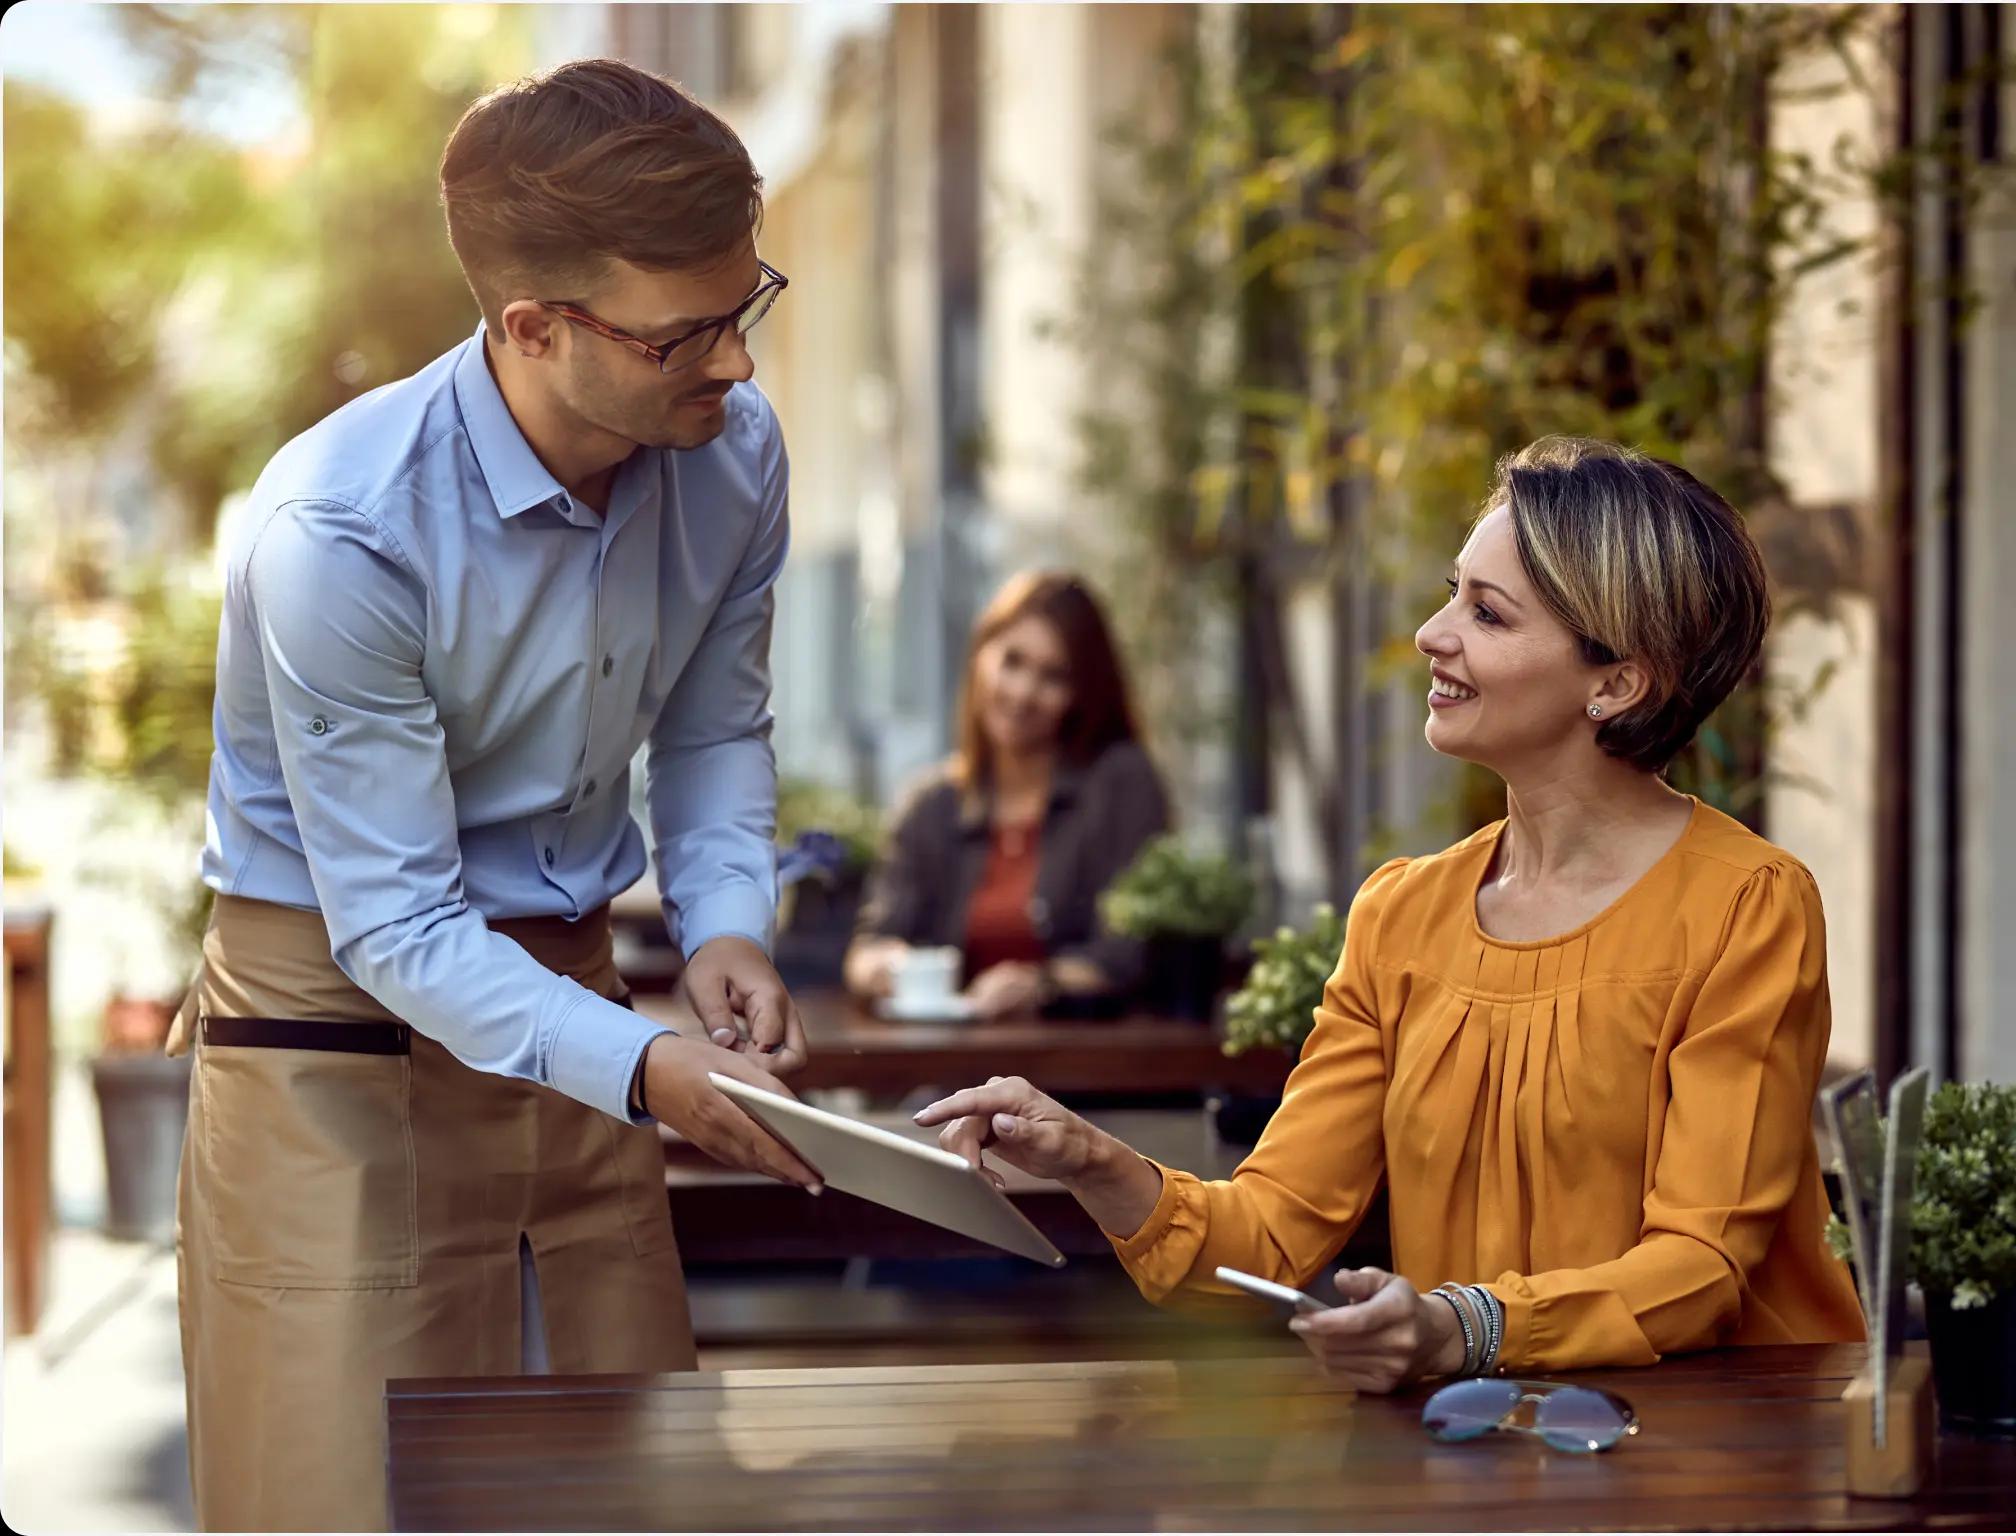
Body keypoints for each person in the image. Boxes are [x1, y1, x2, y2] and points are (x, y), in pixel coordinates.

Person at [172, 59, 824, 1532]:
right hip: (334, 1043)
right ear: (532, 328)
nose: (737, 365)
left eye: (747, 305)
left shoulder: (732, 457)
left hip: (581, 1016)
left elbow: (719, 728)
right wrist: (653, 1070)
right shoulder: (339, 531)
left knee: (626, 1496)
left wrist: (728, 927)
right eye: (688, 335)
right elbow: (396, 926)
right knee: (346, 1502)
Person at [917, 437, 1866, 1391]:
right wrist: (1088, 1159)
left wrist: (1468, 1327)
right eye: (1454, 591)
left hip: (1727, 1451)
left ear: (1616, 682)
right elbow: (1272, 1233)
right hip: (1482, 1444)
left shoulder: (1746, 906)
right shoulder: (1402, 915)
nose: (1430, 632)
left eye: (1487, 614)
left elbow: (1701, 1267)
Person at [844, 571, 1169, 1018]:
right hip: (953, 1071)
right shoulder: (930, 805)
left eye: (1053, 676)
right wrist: (886, 965)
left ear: (1082, 693)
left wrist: (1041, 984)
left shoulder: (1120, 783)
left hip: (1083, 1071)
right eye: (1012, 661)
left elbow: (1131, 956)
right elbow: (868, 948)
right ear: (981, 656)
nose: (1023, 693)